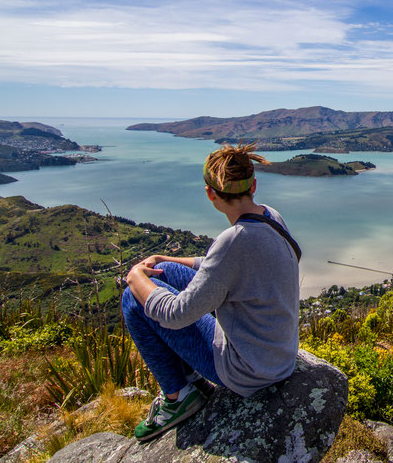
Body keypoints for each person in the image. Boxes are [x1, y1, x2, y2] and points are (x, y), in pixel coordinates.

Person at [122, 142, 301, 442]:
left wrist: (134, 278)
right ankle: (191, 379)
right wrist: (165, 260)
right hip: (276, 356)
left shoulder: (233, 241)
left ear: (211, 194)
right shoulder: (270, 216)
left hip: (247, 370)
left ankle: (178, 397)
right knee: (167, 273)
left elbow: (175, 315)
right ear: (253, 186)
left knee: (133, 300)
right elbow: (217, 267)